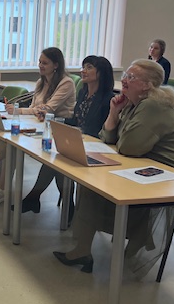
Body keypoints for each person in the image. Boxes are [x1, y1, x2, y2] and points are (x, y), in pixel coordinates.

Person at [53, 59, 174, 275]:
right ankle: (84, 249)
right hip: (143, 164)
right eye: (125, 75)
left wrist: (119, 139)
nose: (124, 80)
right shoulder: (132, 103)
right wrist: (113, 112)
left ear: (147, 85)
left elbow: (129, 147)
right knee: (90, 185)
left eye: (131, 77)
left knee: (94, 187)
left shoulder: (152, 105)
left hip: (171, 174)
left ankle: (90, 248)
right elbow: (108, 137)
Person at [0, 47, 75, 206]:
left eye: (45, 63)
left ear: (56, 65)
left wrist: (20, 110)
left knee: (14, 143)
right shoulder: (41, 82)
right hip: (37, 123)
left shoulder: (66, 83)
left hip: (56, 128)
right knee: (11, 140)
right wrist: (32, 111)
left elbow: (48, 109)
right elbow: (35, 108)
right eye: (39, 62)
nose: (40, 65)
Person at [18, 55, 115, 215]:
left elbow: (100, 130)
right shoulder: (83, 93)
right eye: (83, 67)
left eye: (89, 67)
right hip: (81, 141)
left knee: (58, 161)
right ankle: (65, 206)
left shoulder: (108, 99)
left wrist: (79, 132)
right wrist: (53, 119)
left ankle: (40, 200)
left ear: (101, 73)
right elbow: (75, 121)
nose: (83, 71)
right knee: (57, 160)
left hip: (97, 147)